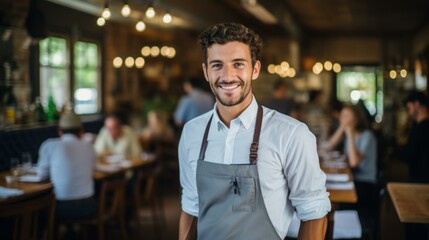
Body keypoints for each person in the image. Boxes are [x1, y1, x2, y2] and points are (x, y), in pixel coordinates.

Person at [178, 22, 330, 240]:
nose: (228, 76)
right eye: (217, 65)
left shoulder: (291, 134)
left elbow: (314, 213)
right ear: (206, 71)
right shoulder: (192, 132)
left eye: (238, 64)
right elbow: (191, 207)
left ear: (255, 69)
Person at [37, 111, 97, 220]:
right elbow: (93, 169)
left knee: (38, 210)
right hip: (88, 205)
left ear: (59, 131)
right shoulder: (89, 146)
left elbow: (41, 176)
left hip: (62, 207)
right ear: (81, 131)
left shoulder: (49, 145)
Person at [326, 104, 377, 204]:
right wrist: (341, 128)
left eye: (346, 116)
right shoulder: (349, 132)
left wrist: (349, 133)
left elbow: (354, 162)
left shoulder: (367, 136)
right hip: (351, 178)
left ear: (356, 119)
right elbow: (328, 146)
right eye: (342, 116)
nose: (342, 119)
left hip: (365, 182)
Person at [403, 91, 429, 240]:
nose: (409, 112)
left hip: (421, 183)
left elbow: (409, 154)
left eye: (409, 108)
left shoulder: (420, 128)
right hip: (421, 180)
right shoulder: (419, 127)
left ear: (417, 104)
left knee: (415, 224)